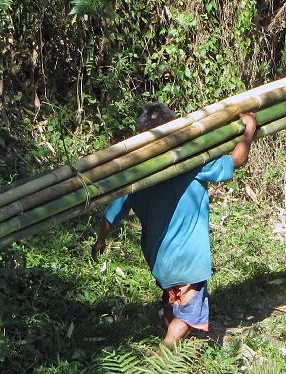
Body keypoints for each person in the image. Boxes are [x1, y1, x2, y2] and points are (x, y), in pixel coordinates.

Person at [92, 103, 257, 348]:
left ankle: (173, 359)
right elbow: (237, 160)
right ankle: (162, 359)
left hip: (159, 260)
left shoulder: (135, 175)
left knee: (172, 300)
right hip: (189, 260)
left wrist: (100, 240)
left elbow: (111, 216)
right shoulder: (192, 162)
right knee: (188, 317)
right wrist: (249, 130)